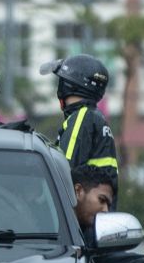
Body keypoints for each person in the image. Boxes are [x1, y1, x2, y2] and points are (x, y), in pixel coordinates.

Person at [39, 54, 118, 195]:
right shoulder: (96, 118)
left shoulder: (82, 117)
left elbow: (63, 171)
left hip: (81, 208)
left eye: (62, 82)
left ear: (68, 87)